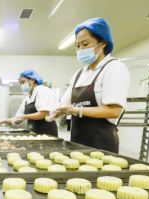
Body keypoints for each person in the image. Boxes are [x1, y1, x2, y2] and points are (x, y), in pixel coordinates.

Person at [48, 17, 130, 153]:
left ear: (103, 43)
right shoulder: (79, 74)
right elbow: (64, 104)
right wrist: (55, 113)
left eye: (85, 44)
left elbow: (114, 111)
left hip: (102, 144)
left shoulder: (114, 68)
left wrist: (77, 110)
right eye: (78, 45)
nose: (80, 49)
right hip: (77, 143)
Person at [0, 70, 58, 136]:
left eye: (23, 82)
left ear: (32, 80)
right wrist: (2, 121)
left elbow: (44, 113)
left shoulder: (43, 90)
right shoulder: (27, 98)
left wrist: (24, 116)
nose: (22, 85)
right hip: (34, 133)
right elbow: (18, 118)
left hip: (47, 132)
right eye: (20, 83)